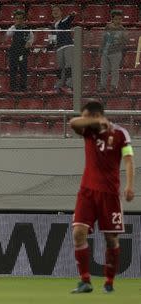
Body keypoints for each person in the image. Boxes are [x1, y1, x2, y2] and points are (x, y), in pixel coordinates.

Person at [69, 102, 134, 293]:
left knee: (111, 239)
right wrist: (93, 121)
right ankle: (85, 281)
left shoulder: (121, 134)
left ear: (94, 115)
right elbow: (73, 122)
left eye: (86, 116)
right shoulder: (88, 132)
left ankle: (109, 281)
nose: (84, 120)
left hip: (110, 194)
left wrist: (130, 185)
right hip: (87, 192)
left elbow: (129, 159)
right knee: (78, 233)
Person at [98, 10, 127, 94]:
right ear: (112, 19)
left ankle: (113, 86)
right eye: (116, 19)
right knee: (104, 70)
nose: (118, 21)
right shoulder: (107, 27)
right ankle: (103, 86)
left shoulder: (122, 29)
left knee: (115, 70)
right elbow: (103, 39)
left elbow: (125, 41)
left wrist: (118, 43)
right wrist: (100, 49)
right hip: (105, 52)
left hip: (116, 53)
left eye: (120, 19)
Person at [5, 10, 34, 92]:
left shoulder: (28, 29)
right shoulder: (13, 28)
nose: (19, 20)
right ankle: (13, 88)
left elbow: (31, 39)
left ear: (24, 19)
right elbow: (8, 34)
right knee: (13, 70)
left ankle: (23, 88)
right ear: (14, 19)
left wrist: (28, 44)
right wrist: (15, 26)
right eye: (17, 18)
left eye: (20, 18)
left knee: (23, 70)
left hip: (23, 53)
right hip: (14, 52)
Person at [50, 5, 76, 91]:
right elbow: (52, 38)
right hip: (59, 48)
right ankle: (60, 84)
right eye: (53, 10)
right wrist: (49, 45)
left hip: (68, 45)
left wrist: (72, 15)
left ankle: (70, 84)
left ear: (61, 12)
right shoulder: (52, 26)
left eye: (57, 10)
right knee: (60, 67)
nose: (55, 12)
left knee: (69, 65)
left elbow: (69, 19)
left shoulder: (63, 21)